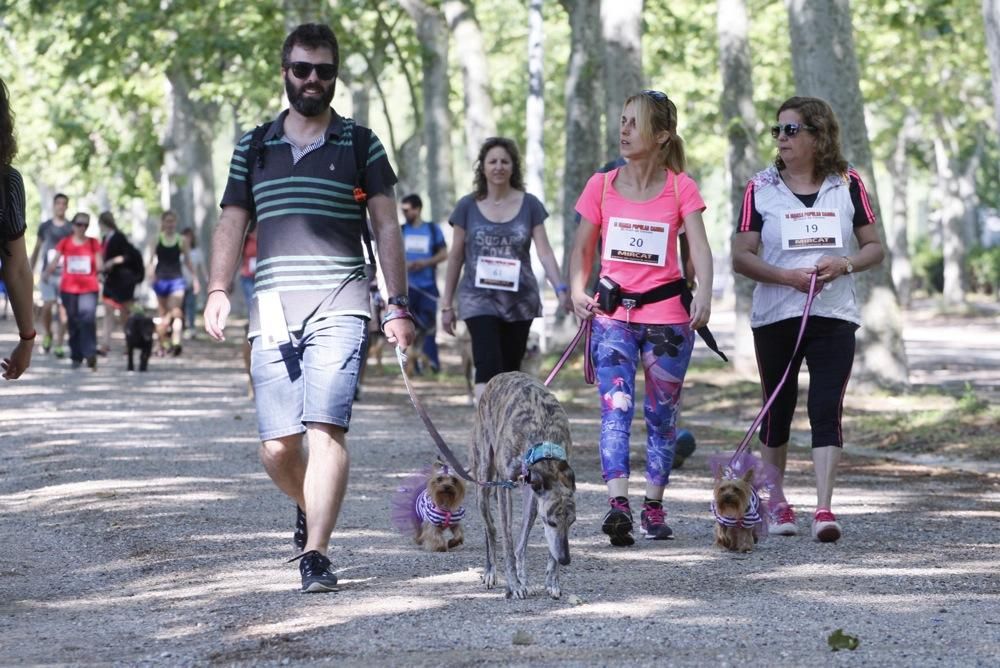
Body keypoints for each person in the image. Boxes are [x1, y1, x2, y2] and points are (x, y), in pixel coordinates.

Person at [203, 23, 414, 593]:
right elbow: (231, 221)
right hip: (271, 305)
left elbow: (387, 225)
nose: (312, 79)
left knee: (325, 428)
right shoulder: (253, 145)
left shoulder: (362, 143)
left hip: (341, 301)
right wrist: (218, 288)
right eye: (302, 69)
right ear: (285, 73)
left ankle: (316, 553)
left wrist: (396, 304)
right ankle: (309, 500)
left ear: (335, 75)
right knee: (277, 446)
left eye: (323, 70)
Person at [732, 96, 884, 543]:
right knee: (777, 409)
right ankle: (777, 502)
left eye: (790, 130)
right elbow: (741, 256)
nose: (780, 139)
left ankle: (823, 507)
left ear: (818, 135)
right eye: (776, 131)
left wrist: (844, 265)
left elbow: (874, 247)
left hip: (834, 313)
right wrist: (786, 277)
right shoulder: (759, 187)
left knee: (825, 407)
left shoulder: (848, 181)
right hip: (776, 314)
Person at [568, 90, 715, 546]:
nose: (624, 129)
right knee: (615, 409)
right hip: (613, 318)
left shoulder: (680, 187)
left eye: (635, 122)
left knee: (661, 415)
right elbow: (582, 250)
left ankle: (653, 505)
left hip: (668, 321)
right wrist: (576, 290)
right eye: (622, 120)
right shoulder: (602, 185)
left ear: (663, 135)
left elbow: (701, 249)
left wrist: (704, 293)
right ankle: (618, 506)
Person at [440, 137, 571, 401]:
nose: (498, 166)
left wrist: (560, 289)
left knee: (511, 371)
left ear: (513, 167)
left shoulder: (530, 204)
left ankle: (506, 434)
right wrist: (446, 304)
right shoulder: (467, 206)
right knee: (487, 366)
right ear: (483, 168)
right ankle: (486, 431)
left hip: (519, 301)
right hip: (478, 299)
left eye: (504, 161)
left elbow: (544, 251)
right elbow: (455, 257)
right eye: (492, 161)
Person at [0, 75, 35, 380]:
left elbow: (18, 268)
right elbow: (17, 268)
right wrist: (27, 340)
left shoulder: (7, 182)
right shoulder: (6, 181)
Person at [44, 212, 103, 370]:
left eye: (86, 225)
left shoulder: (93, 243)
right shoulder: (65, 242)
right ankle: (76, 355)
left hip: (89, 288)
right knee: (73, 321)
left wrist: (102, 272)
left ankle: (90, 353)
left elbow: (99, 263)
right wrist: (46, 274)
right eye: (79, 224)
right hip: (68, 288)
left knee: (88, 320)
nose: (82, 227)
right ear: (73, 225)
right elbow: (55, 260)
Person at [400, 193, 447, 373]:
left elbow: (444, 254)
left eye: (407, 210)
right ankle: (409, 366)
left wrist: (425, 263)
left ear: (418, 209)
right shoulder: (401, 230)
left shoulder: (432, 230)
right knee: (407, 327)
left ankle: (431, 363)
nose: (404, 213)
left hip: (427, 287)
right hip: (406, 288)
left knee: (428, 329)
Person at [148, 210, 197, 356]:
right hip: (161, 279)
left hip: (176, 280)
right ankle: (162, 343)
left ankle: (176, 341)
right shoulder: (156, 239)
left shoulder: (181, 240)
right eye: (167, 221)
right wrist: (150, 274)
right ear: (163, 223)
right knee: (162, 314)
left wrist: (195, 279)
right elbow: (150, 260)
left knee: (175, 311)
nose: (170, 224)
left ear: (176, 223)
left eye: (172, 221)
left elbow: (188, 261)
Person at [30, 192, 71, 357]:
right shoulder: (45, 227)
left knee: (63, 310)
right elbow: (37, 249)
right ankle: (48, 334)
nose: (61, 206)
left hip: (65, 274)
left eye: (64, 203)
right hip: (47, 274)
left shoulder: (70, 228)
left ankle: (60, 343)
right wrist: (29, 270)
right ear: (54, 206)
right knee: (47, 305)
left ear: (67, 206)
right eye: (58, 203)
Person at [97, 211, 141, 355]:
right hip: (111, 281)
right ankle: (105, 344)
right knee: (108, 311)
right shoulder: (105, 238)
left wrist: (112, 261)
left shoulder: (119, 237)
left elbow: (128, 256)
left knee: (124, 314)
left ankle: (129, 343)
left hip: (123, 281)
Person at [180, 227, 206, 338]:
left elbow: (202, 267)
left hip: (192, 282)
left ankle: (191, 328)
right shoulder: (178, 251)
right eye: (185, 236)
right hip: (179, 282)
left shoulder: (197, 252)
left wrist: (207, 279)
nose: (187, 239)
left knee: (191, 305)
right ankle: (180, 327)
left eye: (189, 236)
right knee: (181, 306)